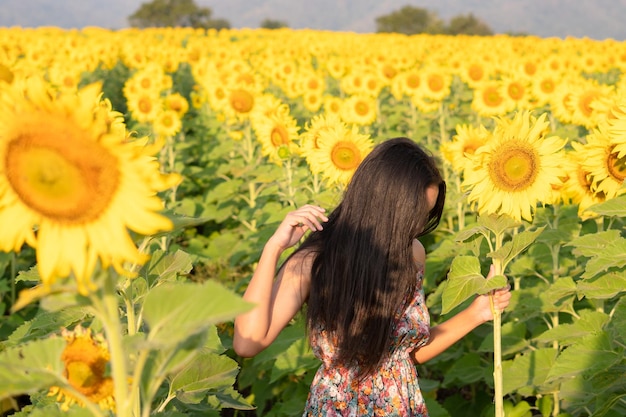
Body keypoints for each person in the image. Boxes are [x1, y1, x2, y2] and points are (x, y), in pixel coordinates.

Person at [233, 137, 511, 416]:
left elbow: (405, 356)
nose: (418, 227)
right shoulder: (314, 262)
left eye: (425, 216)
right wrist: (274, 248)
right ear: (385, 207)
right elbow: (247, 342)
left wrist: (478, 312)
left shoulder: (411, 253)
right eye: (413, 218)